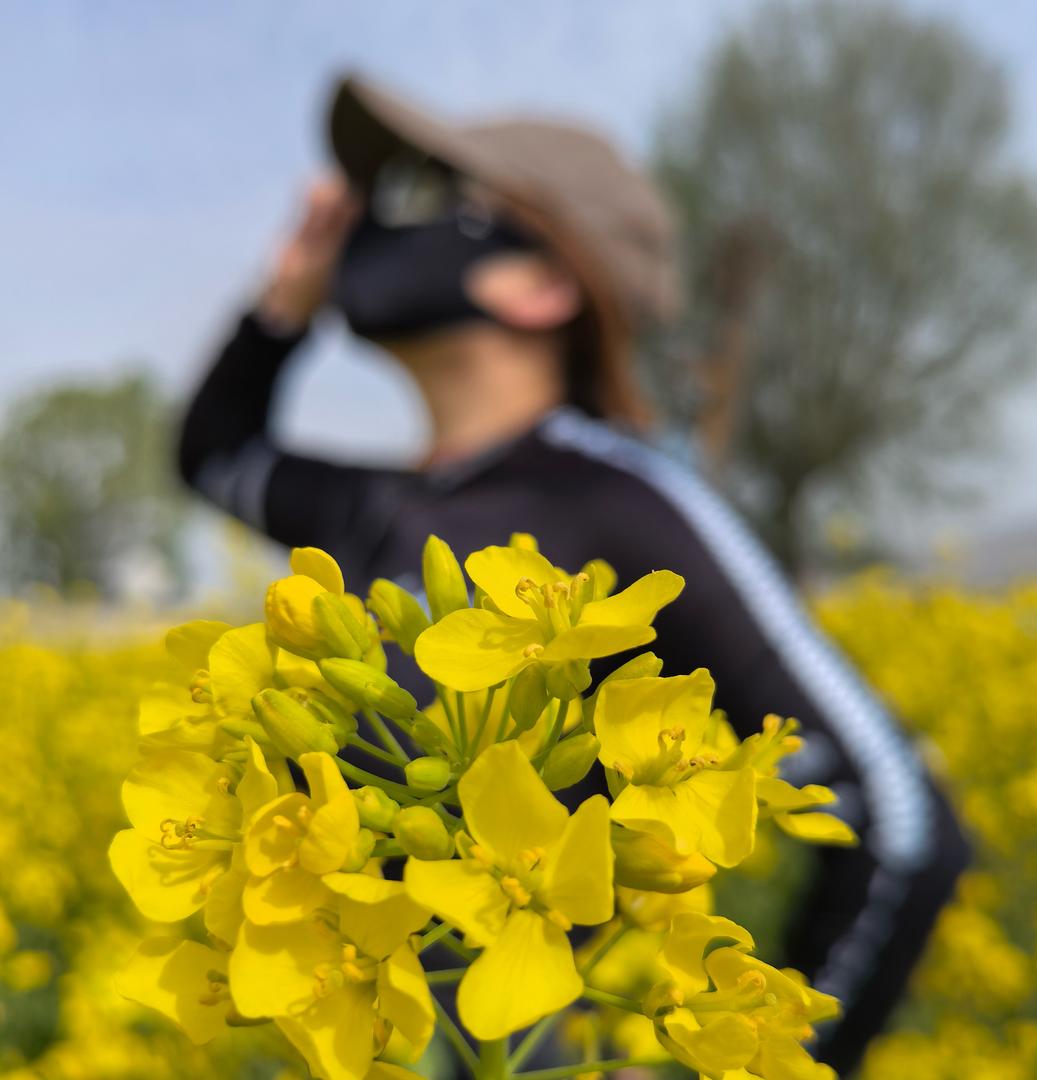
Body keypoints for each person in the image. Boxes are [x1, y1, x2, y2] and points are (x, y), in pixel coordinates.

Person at [177, 75, 970, 1075]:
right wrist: (283, 300)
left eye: (430, 199)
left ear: (541, 283)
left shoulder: (624, 499)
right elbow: (211, 451)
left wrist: (765, 1055)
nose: (376, 226)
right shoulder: (378, 508)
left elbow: (902, 821)